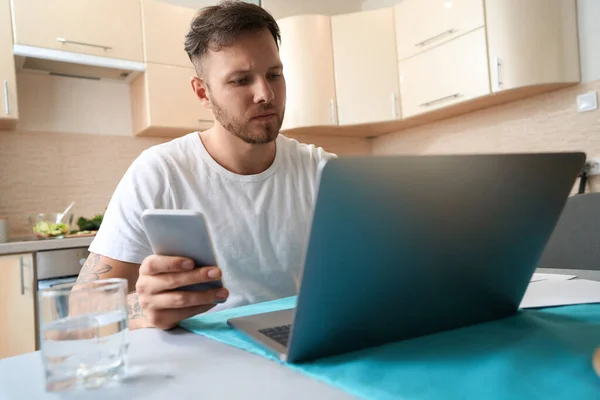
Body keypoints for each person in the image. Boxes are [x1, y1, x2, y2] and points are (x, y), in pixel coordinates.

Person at [77, 0, 336, 331]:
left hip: (297, 346)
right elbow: (81, 307)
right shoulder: (159, 172)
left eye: (274, 74)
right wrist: (142, 311)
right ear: (203, 92)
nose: (266, 94)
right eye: (241, 80)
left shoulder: (322, 171)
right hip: (197, 359)